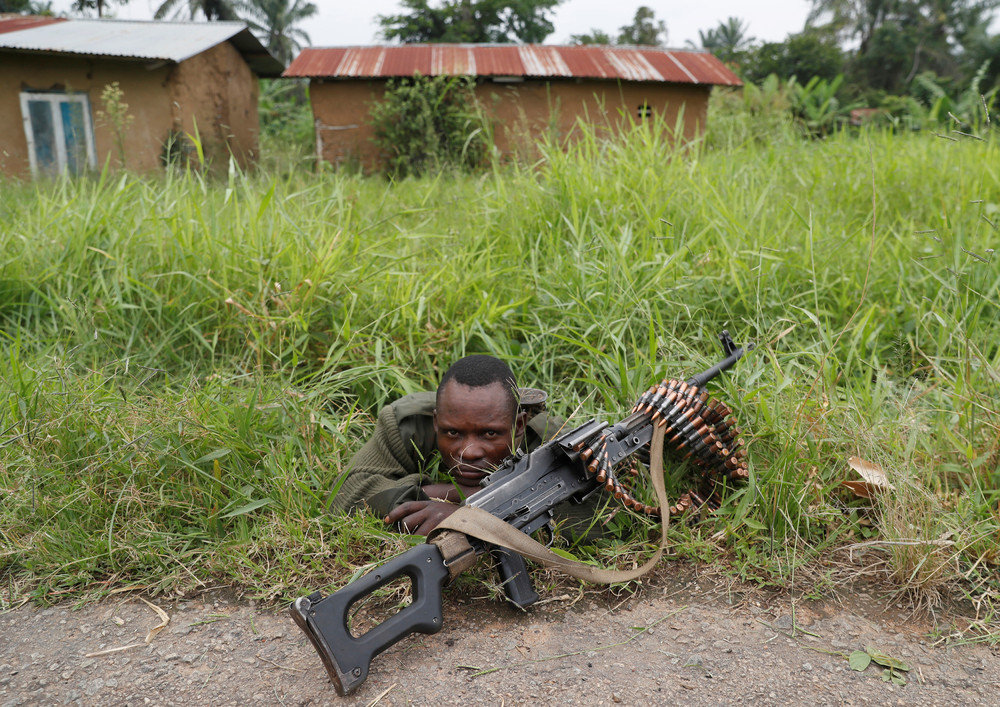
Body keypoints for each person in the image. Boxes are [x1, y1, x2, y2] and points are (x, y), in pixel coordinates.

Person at [329, 354, 602, 538]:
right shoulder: (408, 424)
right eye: (453, 433)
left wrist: (478, 512)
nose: (469, 451)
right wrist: (452, 493)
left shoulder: (552, 443)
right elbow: (346, 493)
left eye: (490, 434)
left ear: (517, 426)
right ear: (436, 422)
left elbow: (602, 517)